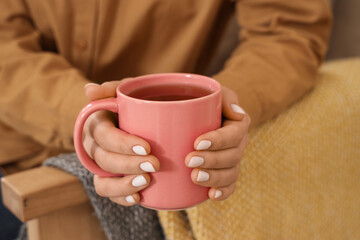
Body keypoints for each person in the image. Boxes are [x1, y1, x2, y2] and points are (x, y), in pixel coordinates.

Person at [0, 0, 332, 237]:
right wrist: (80, 111)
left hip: (167, 171)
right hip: (13, 159)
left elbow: (288, 30)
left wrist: (227, 109)